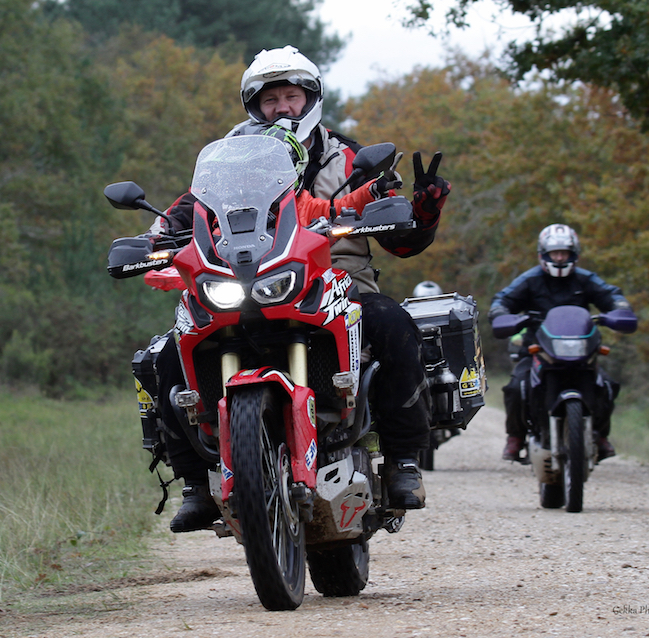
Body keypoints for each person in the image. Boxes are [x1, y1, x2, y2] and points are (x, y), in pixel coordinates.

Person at [145, 45, 450, 532]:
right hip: (241, 284)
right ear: (254, 106)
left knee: (393, 322)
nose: (282, 107)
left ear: (311, 100)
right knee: (165, 354)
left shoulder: (346, 155)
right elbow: (187, 210)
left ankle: (403, 462)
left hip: (339, 283)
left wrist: (422, 213)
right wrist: (153, 237)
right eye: (270, 99)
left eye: (291, 95)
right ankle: (194, 484)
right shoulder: (228, 161)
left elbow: (402, 241)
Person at [487, 223, 634, 462]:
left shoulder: (586, 279)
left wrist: (620, 308)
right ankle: (515, 437)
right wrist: (501, 313)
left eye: (564, 253)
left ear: (573, 254)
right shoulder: (530, 280)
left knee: (607, 385)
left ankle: (600, 435)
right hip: (538, 350)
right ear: (543, 254)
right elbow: (503, 299)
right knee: (516, 388)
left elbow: (611, 294)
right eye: (554, 253)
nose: (559, 257)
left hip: (581, 351)